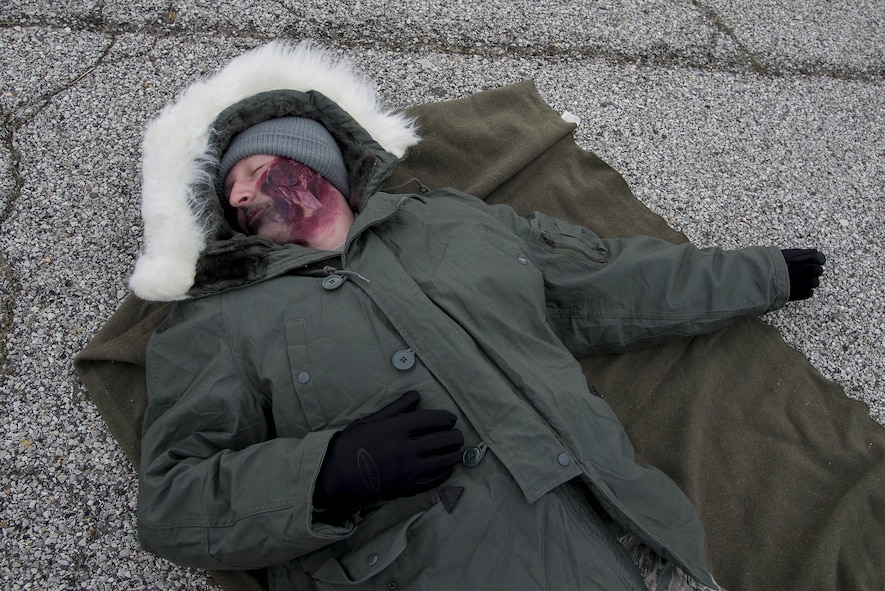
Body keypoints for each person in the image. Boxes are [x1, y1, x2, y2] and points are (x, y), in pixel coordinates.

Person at [132, 41, 824, 591]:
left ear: (320, 166)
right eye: (232, 191)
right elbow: (171, 503)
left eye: (261, 168)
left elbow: (606, 279)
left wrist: (761, 273)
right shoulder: (216, 324)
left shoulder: (453, 222)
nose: (246, 192)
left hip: (633, 534)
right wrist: (330, 471)